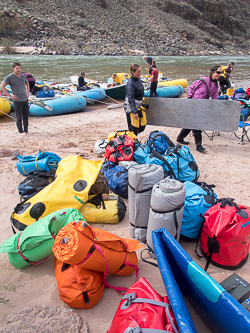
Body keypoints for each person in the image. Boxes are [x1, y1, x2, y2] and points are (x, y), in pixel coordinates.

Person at [176, 65, 222, 153]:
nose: (219, 74)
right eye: (218, 72)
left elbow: (214, 97)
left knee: (191, 124)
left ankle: (180, 138)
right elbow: (191, 88)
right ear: (212, 72)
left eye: (220, 73)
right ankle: (199, 146)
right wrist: (189, 99)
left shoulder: (216, 85)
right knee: (197, 125)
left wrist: (213, 107)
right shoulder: (202, 80)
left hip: (202, 107)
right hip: (193, 105)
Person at [1, 62, 30, 135]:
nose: (18, 70)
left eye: (19, 68)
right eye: (17, 68)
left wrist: (27, 92)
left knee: (26, 115)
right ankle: (21, 131)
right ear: (13, 69)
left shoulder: (23, 76)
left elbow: (27, 83)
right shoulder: (10, 77)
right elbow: (2, 86)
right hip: (17, 100)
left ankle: (26, 130)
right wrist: (9, 95)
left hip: (25, 99)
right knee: (18, 116)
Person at [124, 64, 146, 136]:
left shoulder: (138, 80)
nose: (140, 73)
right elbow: (131, 98)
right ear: (132, 72)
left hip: (138, 105)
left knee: (142, 125)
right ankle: (132, 143)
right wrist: (134, 112)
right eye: (138, 72)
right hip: (131, 107)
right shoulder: (130, 84)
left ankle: (133, 140)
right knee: (133, 129)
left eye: (140, 71)